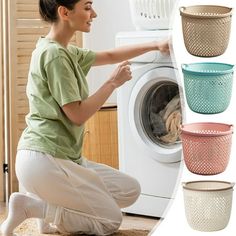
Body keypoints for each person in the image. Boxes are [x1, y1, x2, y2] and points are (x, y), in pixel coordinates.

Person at [0, 0, 170, 235]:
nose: (94, 14)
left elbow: (110, 55)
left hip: (58, 158)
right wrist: (112, 83)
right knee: (110, 221)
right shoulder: (55, 56)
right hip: (45, 159)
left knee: (129, 190)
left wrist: (155, 44)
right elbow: (77, 115)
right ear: (64, 12)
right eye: (88, 7)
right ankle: (33, 208)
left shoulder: (65, 51)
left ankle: (46, 203)